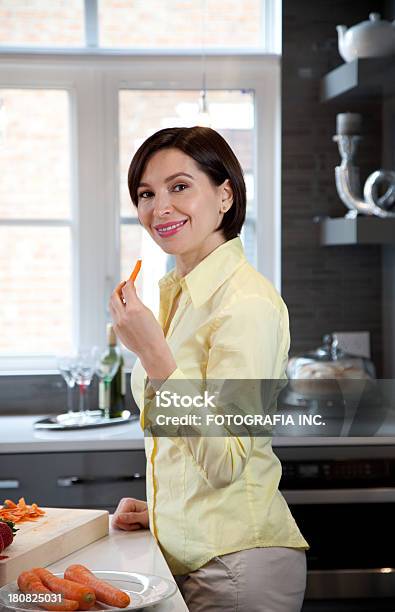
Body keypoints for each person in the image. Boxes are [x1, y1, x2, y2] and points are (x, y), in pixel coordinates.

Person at [109, 126, 309, 612]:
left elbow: (226, 460)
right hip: (188, 556)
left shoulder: (246, 303)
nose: (160, 208)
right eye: (146, 194)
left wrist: (154, 356)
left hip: (238, 568)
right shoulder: (178, 295)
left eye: (180, 186)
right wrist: (164, 509)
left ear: (224, 195)